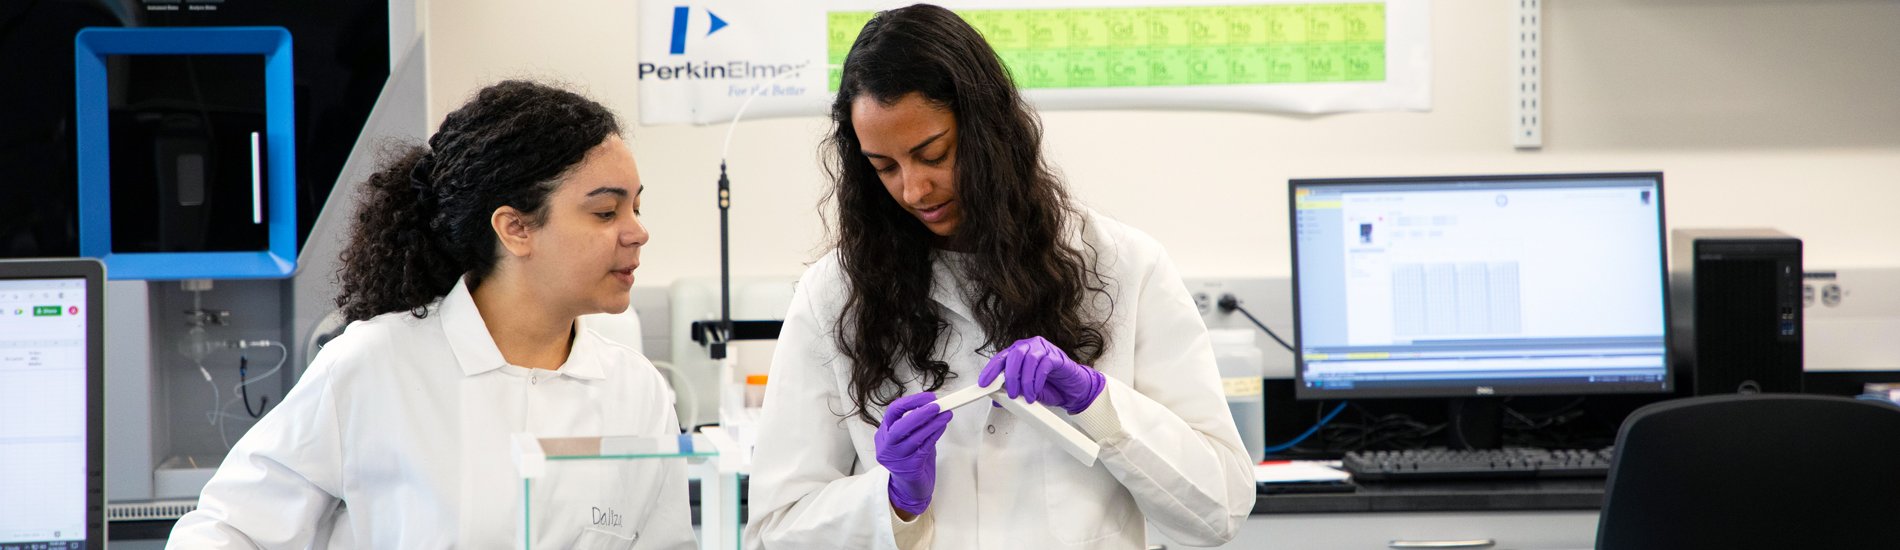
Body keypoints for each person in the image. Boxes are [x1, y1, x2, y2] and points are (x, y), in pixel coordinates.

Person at [745, 5, 1255, 549]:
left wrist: (1101, 405)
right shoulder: (836, 295)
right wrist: (893, 501)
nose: (913, 190)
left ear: (991, 130)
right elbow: (775, 532)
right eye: (885, 167)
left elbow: (1218, 510)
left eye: (933, 154)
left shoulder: (1124, 266)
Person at [168, 80, 693, 549]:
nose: (636, 231)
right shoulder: (375, 364)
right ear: (515, 228)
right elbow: (226, 531)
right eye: (605, 211)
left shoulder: (637, 391)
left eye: (636, 208)